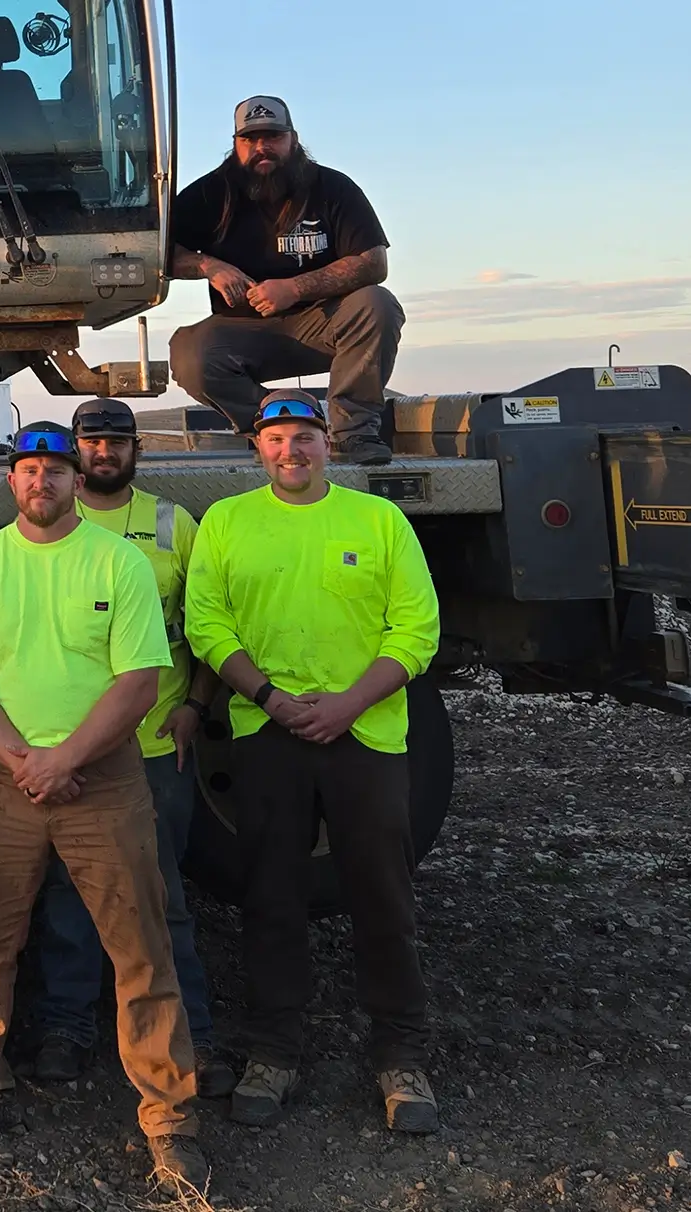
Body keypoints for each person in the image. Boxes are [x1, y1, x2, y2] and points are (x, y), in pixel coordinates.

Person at [0, 421, 208, 1196]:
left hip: (101, 782)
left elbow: (137, 681)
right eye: (28, 469)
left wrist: (64, 760)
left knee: (141, 947)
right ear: (11, 481)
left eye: (56, 470)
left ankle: (170, 1117)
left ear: (75, 482)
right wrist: (22, 761)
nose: (43, 482)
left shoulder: (120, 560)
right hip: (7, 784)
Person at [183, 388, 442, 1134]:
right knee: (272, 897)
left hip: (364, 737)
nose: (289, 452)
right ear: (256, 450)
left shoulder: (378, 519)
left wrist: (347, 704)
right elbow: (207, 622)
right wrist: (268, 697)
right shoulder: (229, 523)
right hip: (270, 735)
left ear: (328, 443)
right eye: (275, 440)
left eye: (304, 438)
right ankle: (275, 1051)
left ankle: (400, 1054)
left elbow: (416, 630)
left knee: (383, 896)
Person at [26, 399, 232, 1097]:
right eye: (92, 440)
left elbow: (208, 627)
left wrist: (198, 708)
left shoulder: (176, 523)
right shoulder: (45, 525)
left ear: (136, 448)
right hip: (70, 749)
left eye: (116, 440)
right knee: (68, 895)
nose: (104, 451)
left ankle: (192, 1037)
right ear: (73, 451)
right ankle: (67, 1026)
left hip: (151, 743)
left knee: (161, 896)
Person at [168, 95, 405, 466]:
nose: (262, 147)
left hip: (323, 323)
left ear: (293, 138)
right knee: (188, 354)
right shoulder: (208, 194)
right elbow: (160, 253)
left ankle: (352, 434)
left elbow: (373, 263)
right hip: (242, 329)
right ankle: (270, 429)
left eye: (273, 136)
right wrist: (207, 265)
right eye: (250, 138)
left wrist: (294, 288)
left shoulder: (333, 187)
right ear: (236, 144)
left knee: (377, 302)